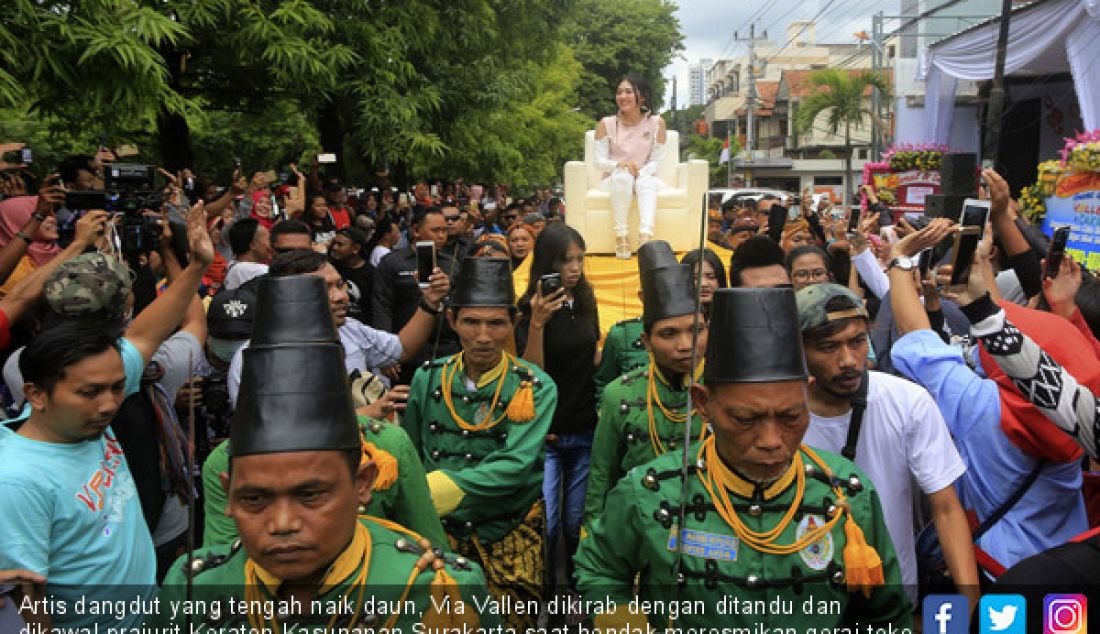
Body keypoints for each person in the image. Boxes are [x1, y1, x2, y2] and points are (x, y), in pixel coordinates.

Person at [156, 274, 491, 632]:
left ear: (363, 483)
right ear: (229, 491)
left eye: (310, 495)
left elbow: (427, 537)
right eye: (255, 498)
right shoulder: (194, 590)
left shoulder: (433, 591)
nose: (283, 523)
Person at [574, 287, 910, 631]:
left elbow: (884, 616)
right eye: (745, 420)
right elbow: (598, 570)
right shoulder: (651, 493)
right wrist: (620, 619)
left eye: (790, 417)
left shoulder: (846, 495)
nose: (770, 441)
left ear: (806, 394)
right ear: (703, 404)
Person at [0, 201, 215, 631]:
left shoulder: (86, 391)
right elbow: (24, 601)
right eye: (89, 393)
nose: (108, 404)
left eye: (118, 387)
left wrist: (197, 265)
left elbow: (147, 330)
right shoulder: (15, 481)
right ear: (36, 395)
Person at [889, 219, 1090, 577]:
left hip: (1002, 572)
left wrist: (899, 260)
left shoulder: (983, 409)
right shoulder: (1081, 424)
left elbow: (918, 337)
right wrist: (1064, 312)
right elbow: (1057, 360)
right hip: (1068, 568)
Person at [795, 283, 977, 607]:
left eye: (857, 341)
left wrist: (970, 608)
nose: (849, 360)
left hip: (893, 601)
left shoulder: (909, 402)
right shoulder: (779, 417)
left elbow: (947, 509)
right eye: (828, 347)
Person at [403, 257, 556, 630]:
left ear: (514, 323)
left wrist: (438, 488)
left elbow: (517, 464)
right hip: (440, 533)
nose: (484, 336)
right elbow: (411, 450)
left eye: (496, 323)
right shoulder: (428, 377)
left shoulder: (534, 385)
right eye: (471, 322)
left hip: (508, 530)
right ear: (452, 320)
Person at [584, 241, 708, 529]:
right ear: (647, 341)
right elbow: (602, 475)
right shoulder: (621, 394)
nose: (685, 346)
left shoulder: (726, 391)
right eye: (669, 334)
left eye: (696, 330)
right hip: (638, 525)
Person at [228, 250, 449, 406]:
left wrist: (430, 302)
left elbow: (402, 349)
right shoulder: (254, 357)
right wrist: (368, 415)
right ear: (286, 295)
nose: (341, 297)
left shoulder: (350, 329)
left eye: (340, 284)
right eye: (324, 289)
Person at [516, 224, 600, 584]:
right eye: (566, 260)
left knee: (574, 521)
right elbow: (532, 374)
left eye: (580, 259)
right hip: (545, 433)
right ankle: (546, 594)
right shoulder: (527, 310)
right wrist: (537, 324)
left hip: (583, 426)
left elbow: (592, 354)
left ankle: (576, 592)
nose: (575, 268)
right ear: (549, 262)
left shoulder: (585, 302)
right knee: (547, 523)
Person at [371, 207, 457, 383]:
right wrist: (386, 352)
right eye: (435, 230)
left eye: (444, 231)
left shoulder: (452, 263)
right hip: (406, 351)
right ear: (416, 230)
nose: (442, 236)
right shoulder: (392, 262)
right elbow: (382, 306)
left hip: (446, 351)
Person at [593, 74, 668, 258]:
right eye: (619, 92)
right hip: (614, 178)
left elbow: (657, 161)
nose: (622, 96)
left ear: (641, 96)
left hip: (646, 176)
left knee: (645, 182)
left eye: (628, 91)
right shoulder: (606, 124)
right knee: (623, 177)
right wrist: (620, 165)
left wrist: (640, 172)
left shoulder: (656, 123)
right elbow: (598, 161)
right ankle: (621, 236)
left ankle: (645, 237)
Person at [592, 240, 680, 393]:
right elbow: (603, 383)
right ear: (642, 297)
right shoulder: (621, 334)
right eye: (657, 292)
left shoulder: (696, 331)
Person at [329, 226, 374, 322]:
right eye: (334, 243)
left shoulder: (371, 274)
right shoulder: (330, 268)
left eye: (340, 244)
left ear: (356, 248)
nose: (334, 247)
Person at [223, 217, 272, 290]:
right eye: (269, 239)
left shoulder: (234, 266)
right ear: (253, 245)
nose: (272, 244)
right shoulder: (259, 271)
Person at [679, 247, 727, 314]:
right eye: (695, 278)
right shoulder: (672, 319)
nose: (703, 284)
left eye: (711, 277)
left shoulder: (732, 316)